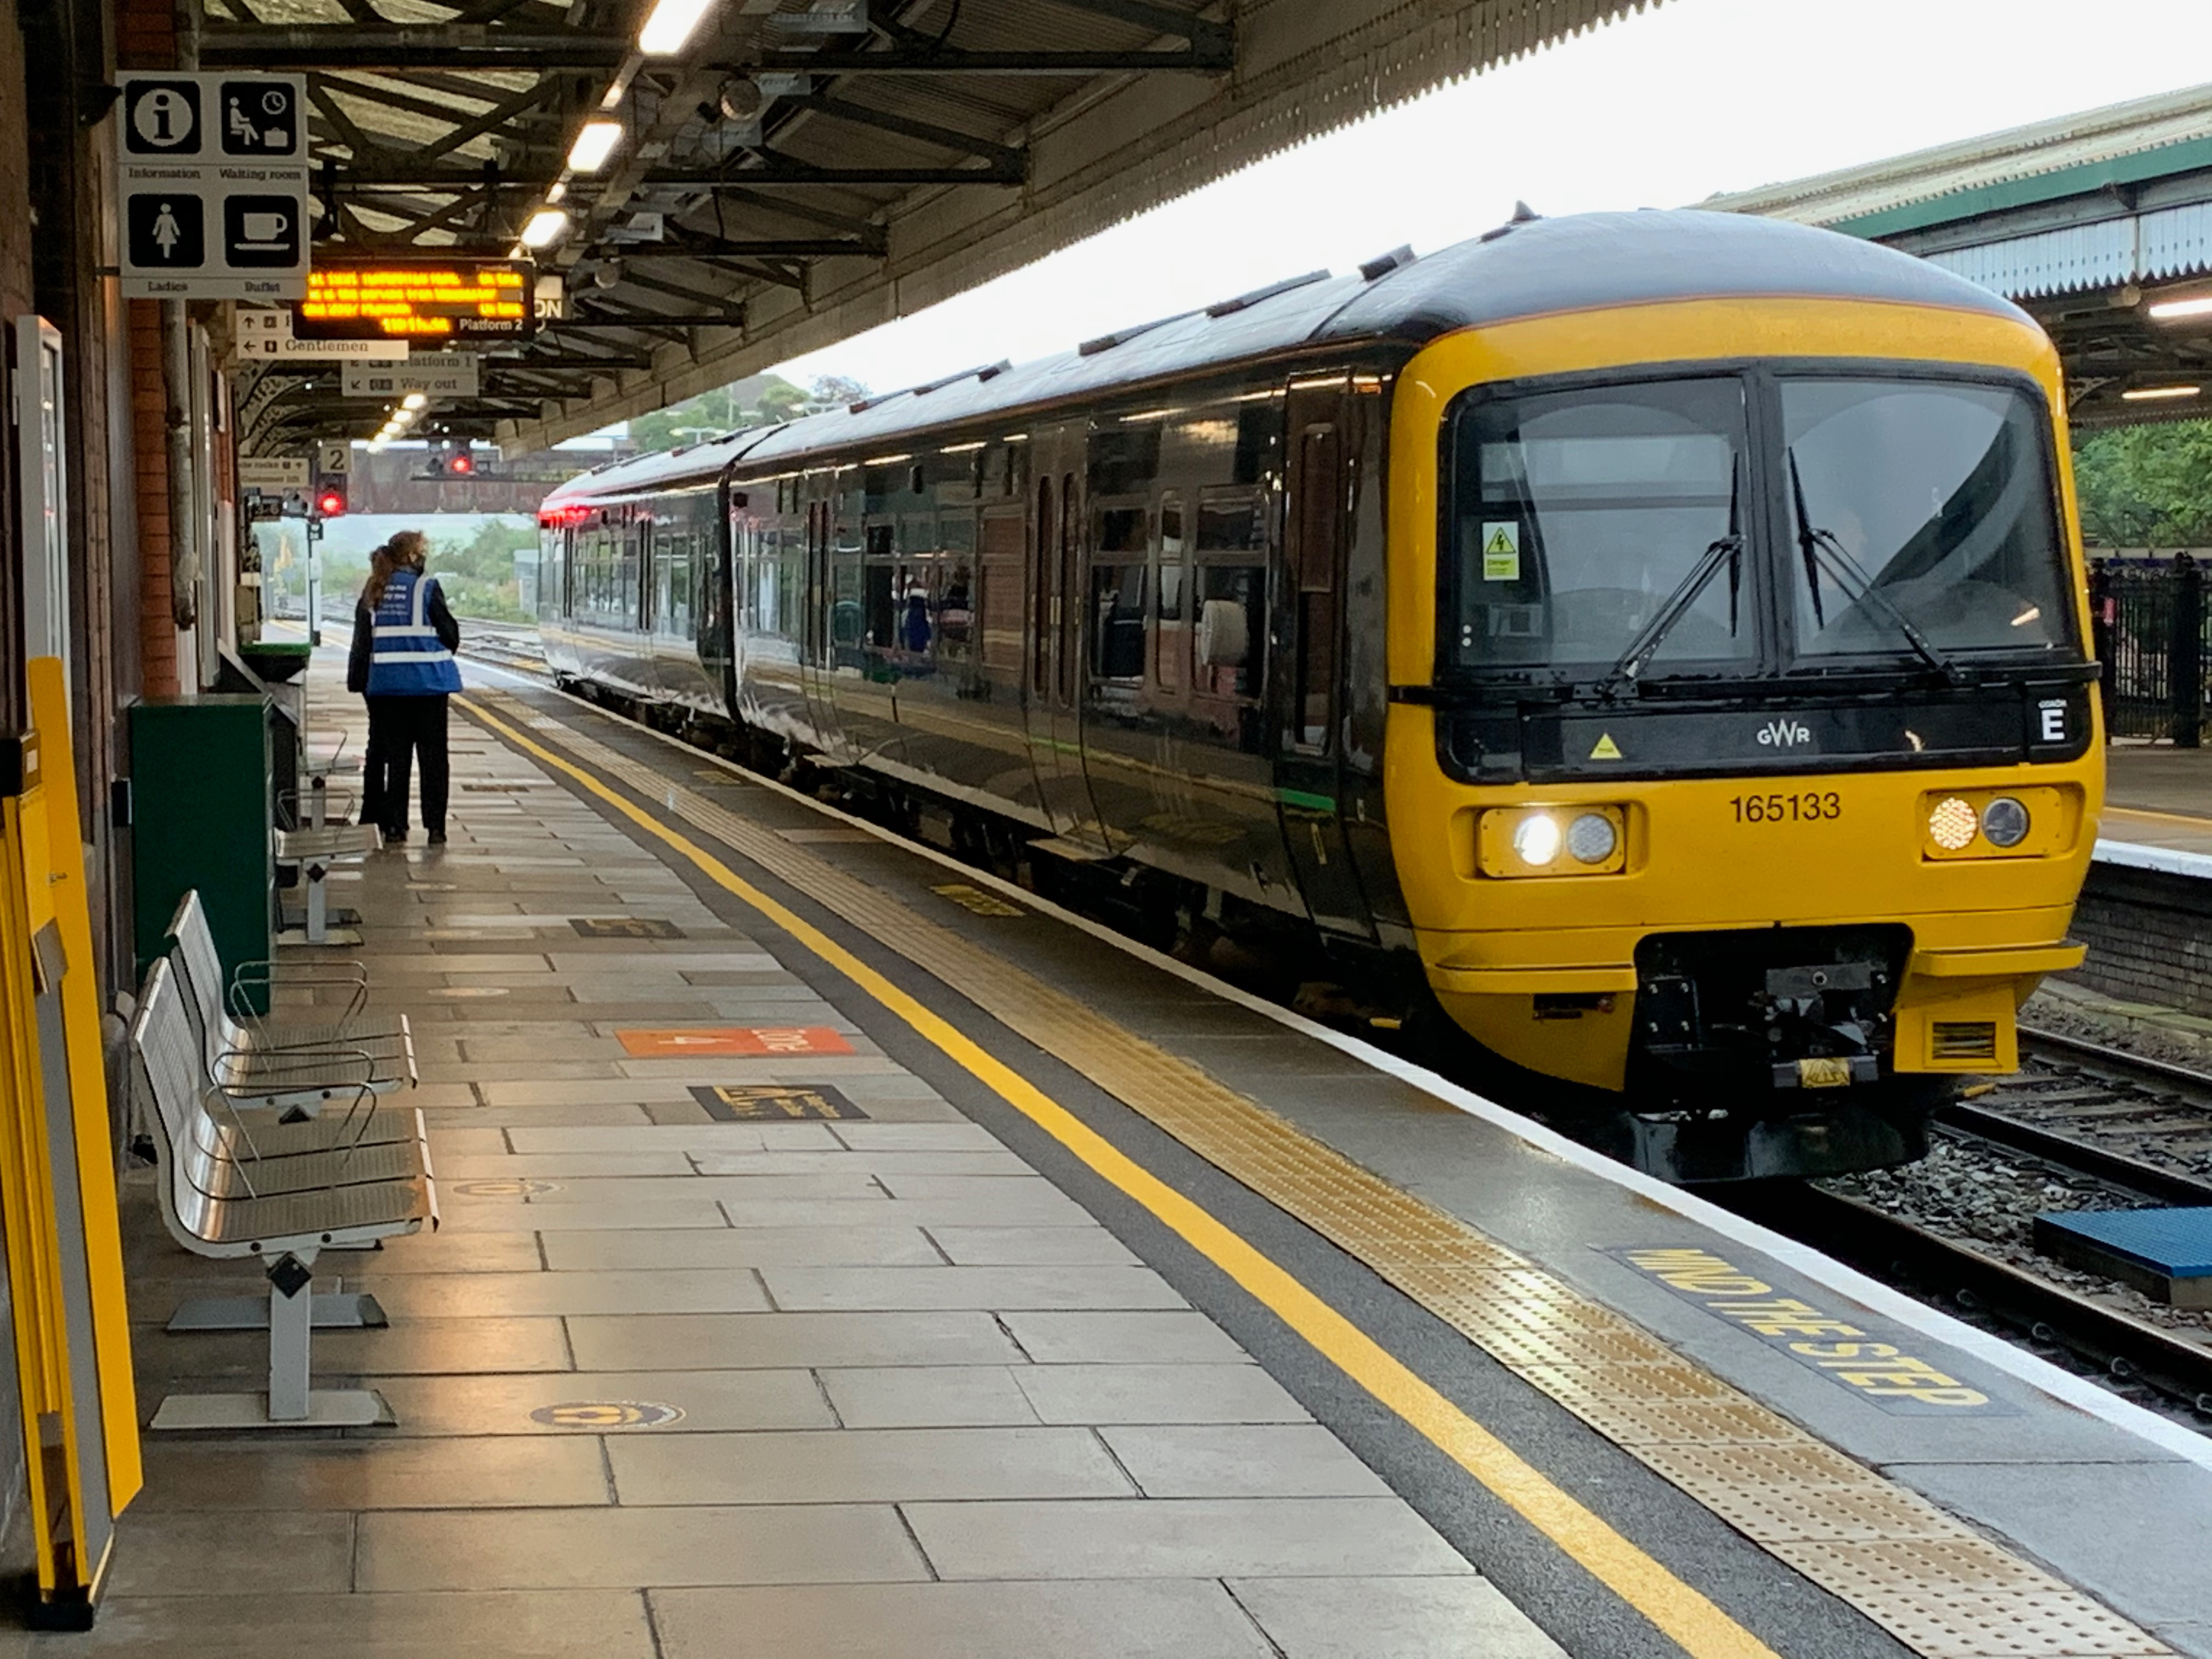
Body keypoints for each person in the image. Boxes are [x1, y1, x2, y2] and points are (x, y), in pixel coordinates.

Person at [347, 528, 461, 844]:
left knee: (397, 759)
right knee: (433, 759)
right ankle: (435, 828)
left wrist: (359, 683)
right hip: (428, 687)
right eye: (422, 550)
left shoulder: (374, 591)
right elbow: (451, 635)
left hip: (387, 689)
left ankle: (396, 826)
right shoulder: (427, 587)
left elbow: (362, 644)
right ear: (412, 556)